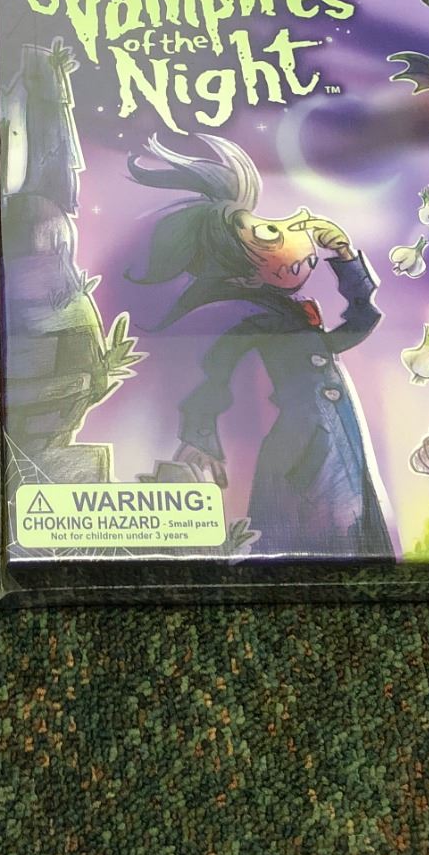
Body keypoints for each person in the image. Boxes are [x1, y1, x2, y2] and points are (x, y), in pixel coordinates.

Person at [128, 133, 394, 559]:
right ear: (246, 276)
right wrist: (200, 435)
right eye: (268, 231)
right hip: (303, 452)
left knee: (350, 536)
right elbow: (213, 375)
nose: (292, 227)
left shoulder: (291, 316)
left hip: (336, 441)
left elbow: (356, 327)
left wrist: (345, 257)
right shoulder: (249, 322)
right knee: (313, 538)